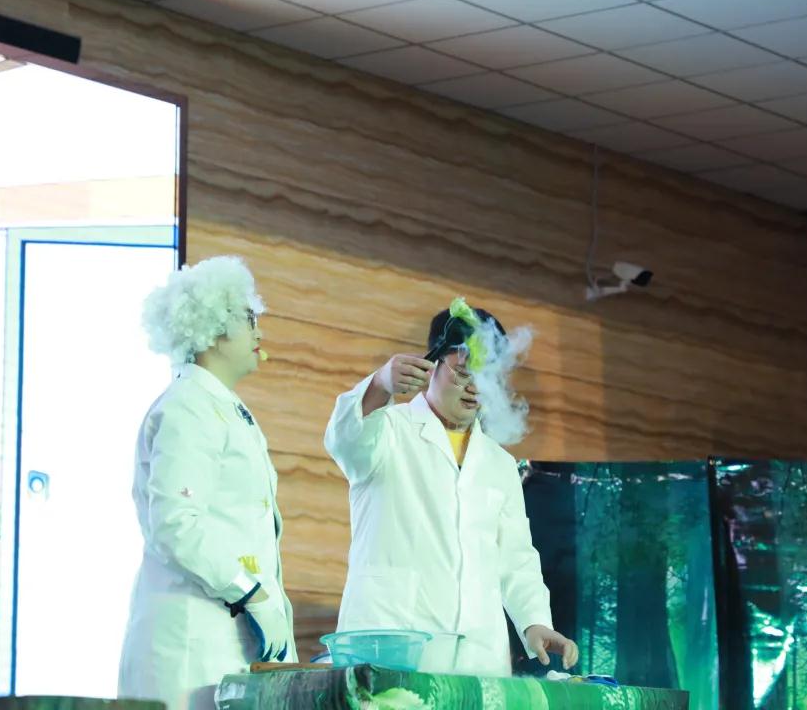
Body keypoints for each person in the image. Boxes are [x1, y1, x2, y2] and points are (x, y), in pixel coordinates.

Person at [324, 298, 578, 677]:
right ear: (432, 365)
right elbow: (344, 438)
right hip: (394, 641)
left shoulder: (499, 463)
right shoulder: (389, 430)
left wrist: (534, 622)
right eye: (463, 373)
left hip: (478, 655)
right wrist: (379, 384)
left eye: (488, 376)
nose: (475, 388)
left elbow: (516, 557)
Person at [118, 256, 295, 710]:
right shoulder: (188, 407)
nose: (259, 331)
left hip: (223, 638)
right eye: (249, 317)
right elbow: (177, 524)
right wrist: (251, 591)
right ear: (214, 326)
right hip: (189, 643)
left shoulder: (221, 407)